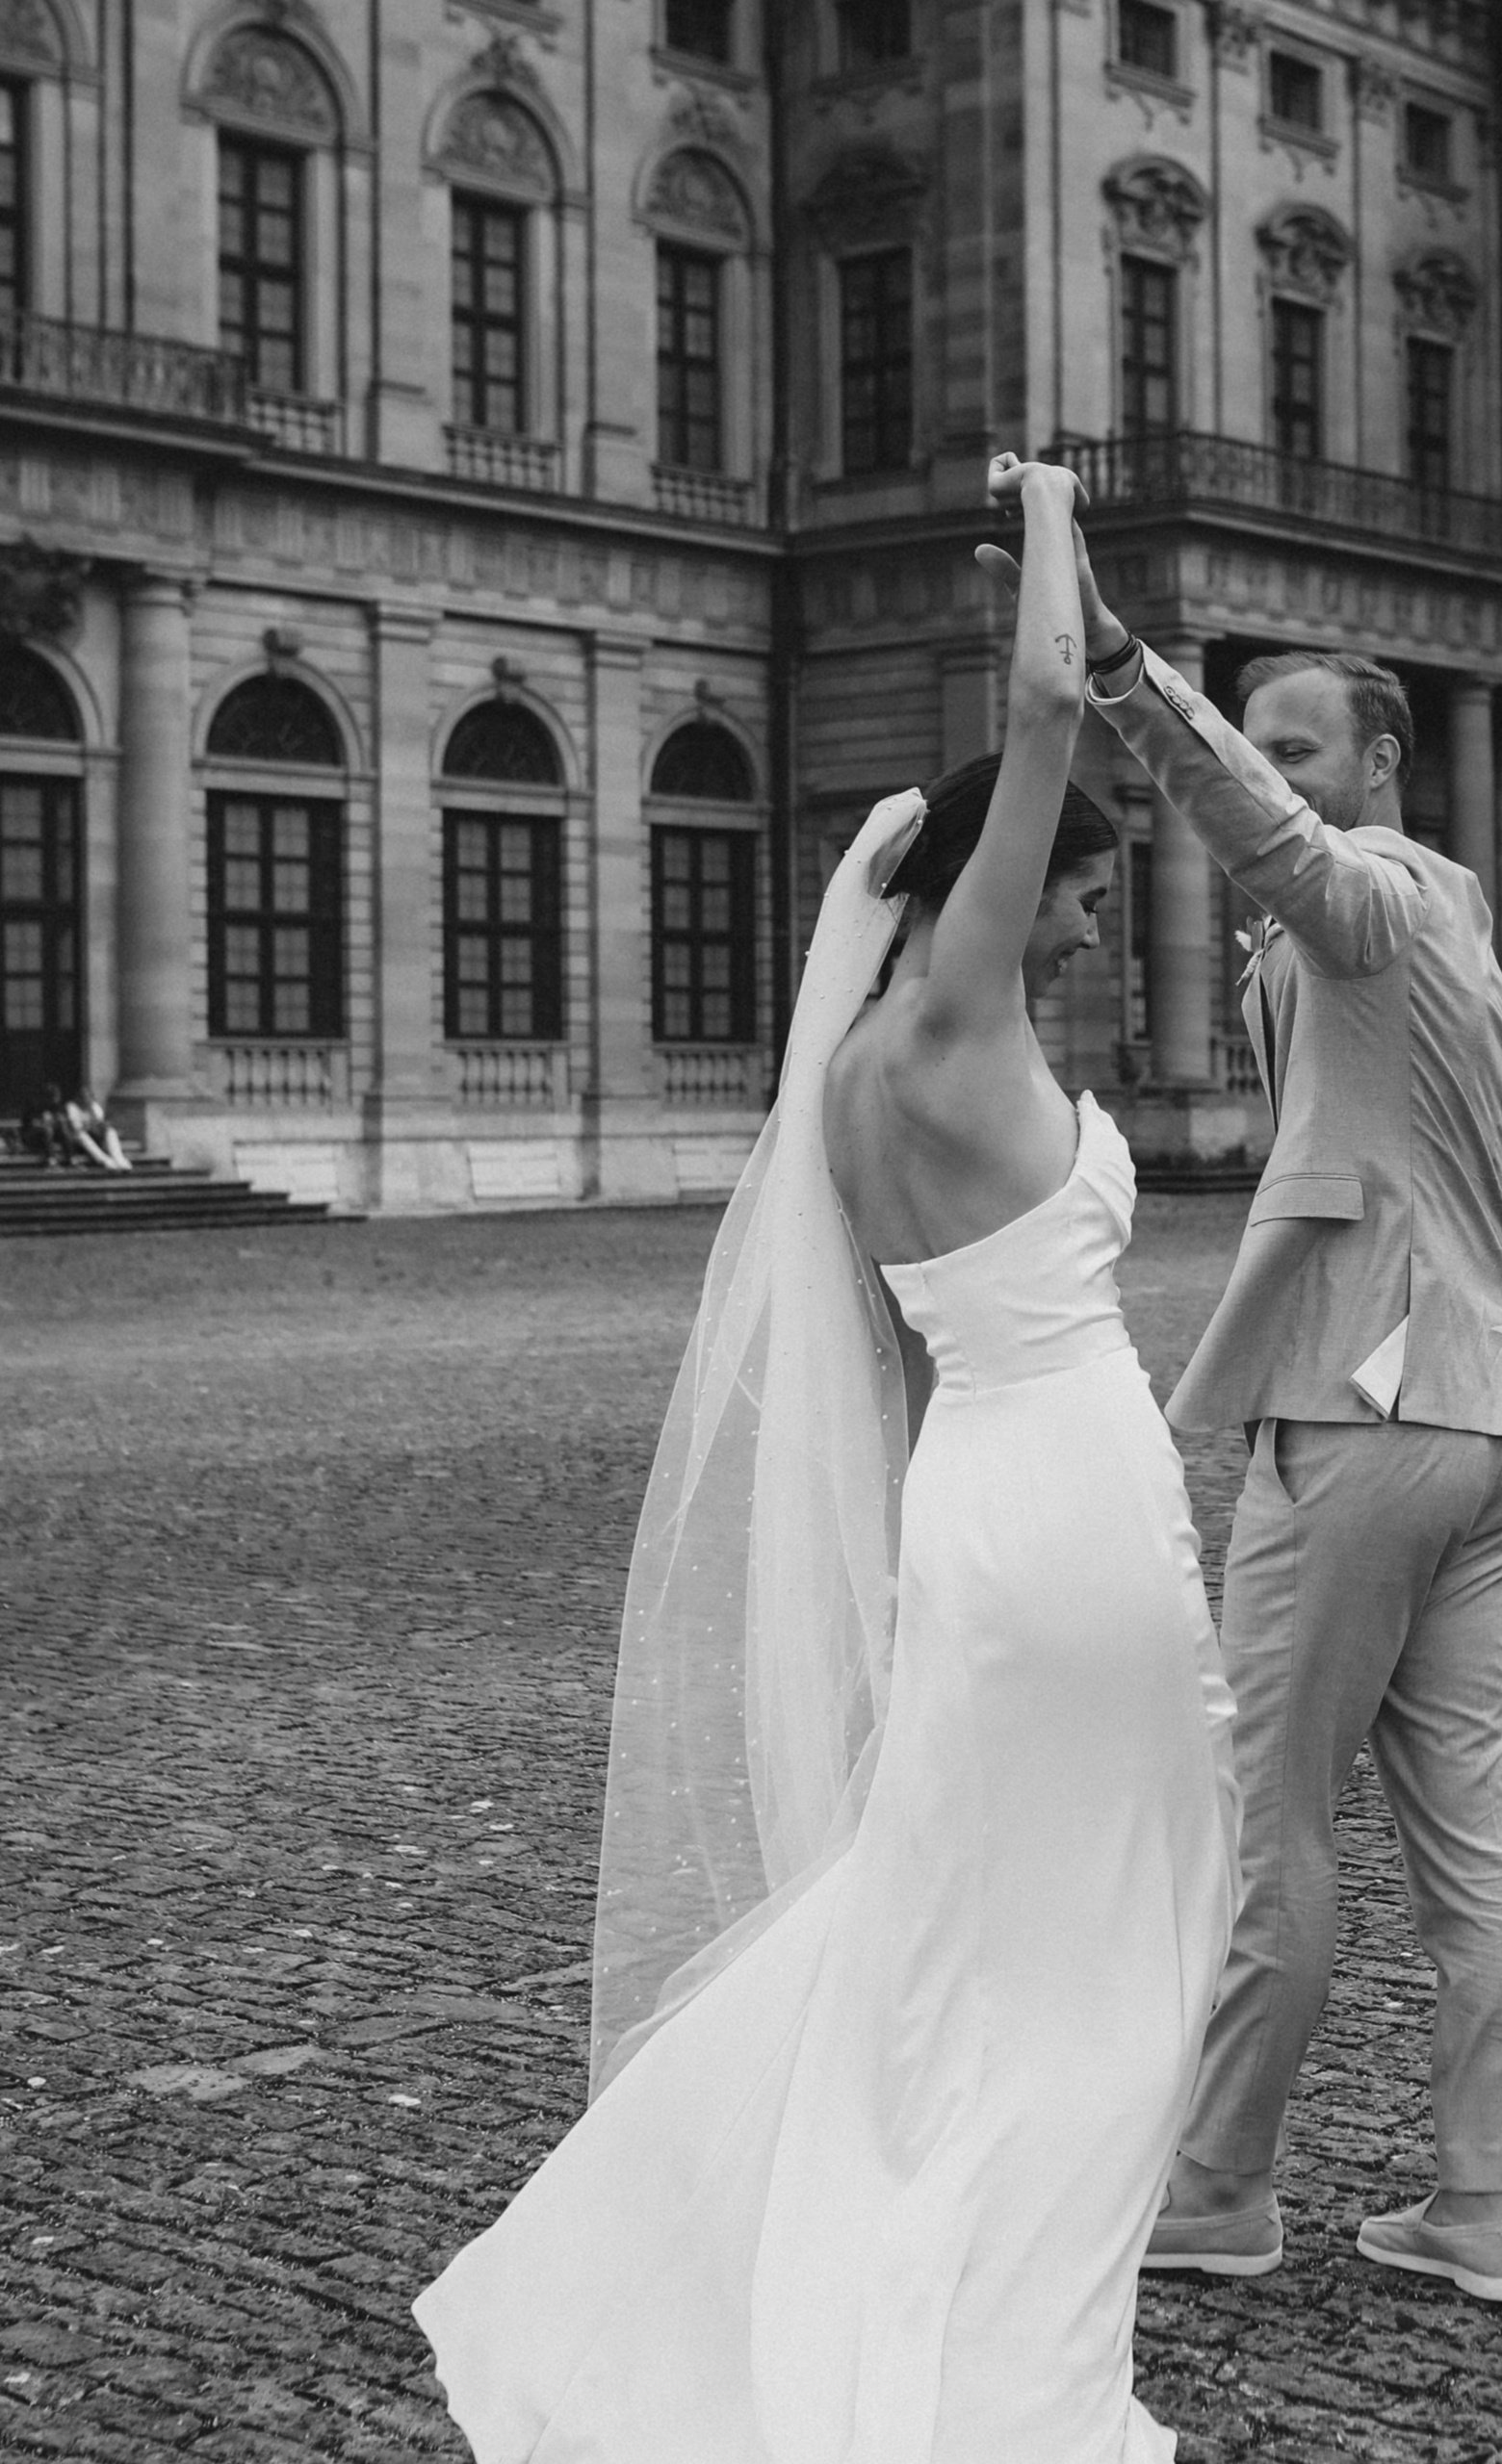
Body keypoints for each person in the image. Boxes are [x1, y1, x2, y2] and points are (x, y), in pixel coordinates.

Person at [414, 454, 1238, 2462]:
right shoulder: (957, 1022)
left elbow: (902, 1361)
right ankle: (999, 2343)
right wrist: (1055, 514)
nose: (1089, 921)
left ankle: (911, 2248)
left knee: (965, 1909)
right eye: (1079, 887)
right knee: (1127, 1914)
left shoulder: (867, 1077)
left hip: (984, 1509)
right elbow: (1039, 706)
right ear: (986, 885)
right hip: (1064, 1512)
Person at [984, 533, 1502, 2304]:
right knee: (1470, 1827)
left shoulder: (1376, 893)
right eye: (1261, 743)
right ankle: (1481, 2207)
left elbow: (1281, 848)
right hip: (1484, 1416)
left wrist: (1128, 677)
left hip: (1363, 1410)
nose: (1272, 771)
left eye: (1296, 746)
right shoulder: (1451, 920)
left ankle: (1222, 2186)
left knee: (1264, 1819)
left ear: (1383, 762)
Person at [62, 1087, 131, 1171]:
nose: (86, 1098)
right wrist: (91, 1126)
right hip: (79, 1140)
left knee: (111, 1131)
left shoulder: (94, 1105)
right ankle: (105, 1161)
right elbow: (76, 1127)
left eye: (88, 1096)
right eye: (83, 1096)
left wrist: (100, 1126)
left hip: (95, 1135)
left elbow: (101, 1122)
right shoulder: (72, 1106)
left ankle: (119, 1159)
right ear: (79, 1097)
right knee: (82, 1135)